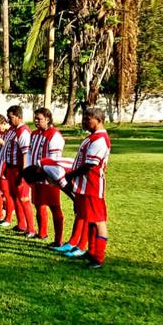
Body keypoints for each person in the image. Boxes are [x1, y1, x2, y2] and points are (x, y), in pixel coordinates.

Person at [59, 107, 111, 268]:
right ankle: (91, 251)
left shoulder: (100, 139)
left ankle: (98, 258)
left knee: (98, 222)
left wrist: (71, 175)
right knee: (89, 219)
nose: (84, 122)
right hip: (84, 185)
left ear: (98, 120)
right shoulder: (92, 137)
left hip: (93, 186)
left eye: (88, 119)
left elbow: (90, 165)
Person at [28, 107, 66, 245]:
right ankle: (42, 233)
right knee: (38, 204)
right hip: (35, 175)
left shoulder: (54, 135)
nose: (36, 121)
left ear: (48, 119)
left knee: (54, 206)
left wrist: (46, 172)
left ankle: (58, 240)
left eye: (39, 119)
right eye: (35, 118)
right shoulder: (34, 134)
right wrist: (30, 169)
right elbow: (30, 153)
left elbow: (54, 159)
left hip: (49, 176)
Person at [4, 105, 35, 236]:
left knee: (23, 198)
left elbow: (25, 154)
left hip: (19, 169)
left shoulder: (24, 132)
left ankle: (31, 229)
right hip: (10, 168)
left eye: (11, 118)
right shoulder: (12, 130)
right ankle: (21, 224)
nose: (8, 120)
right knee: (14, 196)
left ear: (19, 117)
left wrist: (22, 174)